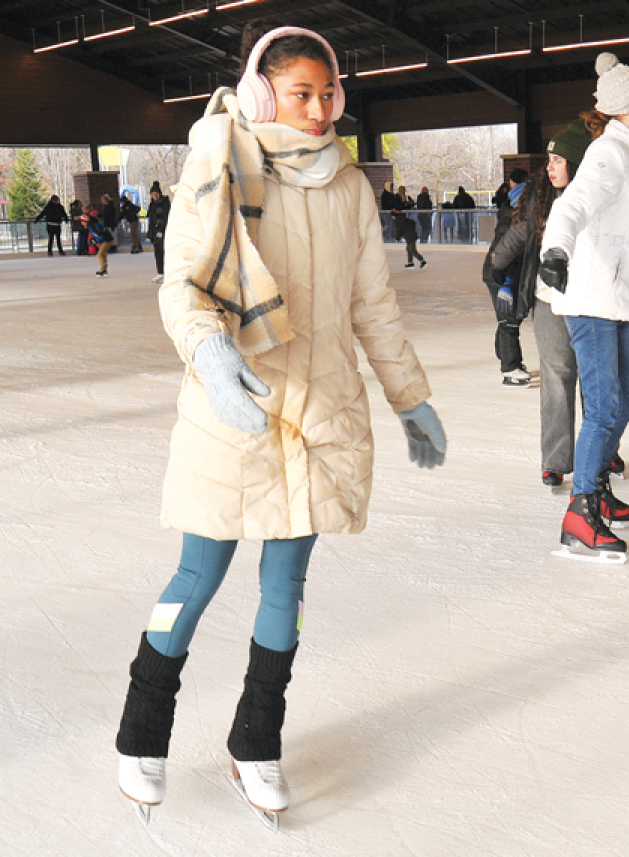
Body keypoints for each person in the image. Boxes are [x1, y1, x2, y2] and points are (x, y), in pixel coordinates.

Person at [114, 23, 446, 826]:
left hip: (319, 412)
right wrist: (210, 353)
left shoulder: (350, 187)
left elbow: (372, 304)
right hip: (237, 407)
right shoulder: (221, 165)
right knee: (194, 579)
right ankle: (140, 730)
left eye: (329, 92)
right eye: (301, 92)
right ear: (265, 93)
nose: (319, 107)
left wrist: (409, 396)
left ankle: (256, 740)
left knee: (286, 585)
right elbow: (181, 286)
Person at [538, 53, 629, 563]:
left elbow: (624, 240)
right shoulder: (607, 155)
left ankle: (596, 486)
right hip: (591, 299)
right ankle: (580, 512)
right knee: (605, 406)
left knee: (628, 397)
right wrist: (556, 252)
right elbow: (572, 207)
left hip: (615, 298)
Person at [487, 120, 594, 485]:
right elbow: (518, 234)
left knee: (596, 381)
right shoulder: (540, 197)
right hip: (548, 301)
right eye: (548, 160)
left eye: (557, 160)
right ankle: (556, 459)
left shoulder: (596, 199)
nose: (549, 167)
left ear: (576, 164)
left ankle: (601, 454)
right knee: (557, 375)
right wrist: (496, 266)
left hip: (591, 302)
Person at [481, 168, 530, 386]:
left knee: (510, 318)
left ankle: (505, 356)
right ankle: (510, 368)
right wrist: (506, 282)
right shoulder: (510, 220)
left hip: (508, 272)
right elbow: (501, 252)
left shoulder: (516, 216)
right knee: (508, 319)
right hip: (499, 274)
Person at [146, 182, 171, 283]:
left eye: (156, 194)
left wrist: (161, 230)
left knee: (164, 252)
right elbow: (151, 220)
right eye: (153, 194)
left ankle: (167, 272)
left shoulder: (164, 202)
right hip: (155, 232)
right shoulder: (152, 205)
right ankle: (160, 272)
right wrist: (150, 234)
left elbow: (165, 217)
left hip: (163, 230)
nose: (154, 196)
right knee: (157, 252)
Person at [92, 195, 116, 276]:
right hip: (106, 232)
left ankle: (103, 268)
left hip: (108, 232)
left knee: (101, 253)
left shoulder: (110, 207)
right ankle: (103, 267)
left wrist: (96, 241)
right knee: (102, 253)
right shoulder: (105, 207)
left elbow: (99, 233)